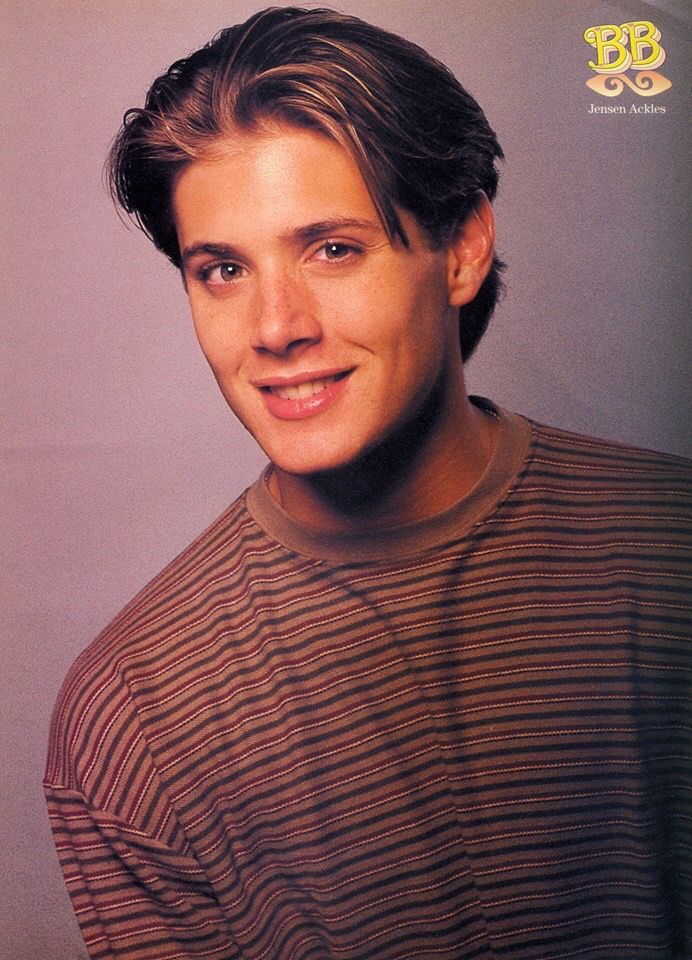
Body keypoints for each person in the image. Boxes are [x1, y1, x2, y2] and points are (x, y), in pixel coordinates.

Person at [44, 7, 690, 959]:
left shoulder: (669, 551)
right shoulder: (134, 717)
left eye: (332, 249)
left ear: (463, 247)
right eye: (223, 268)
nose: (275, 326)